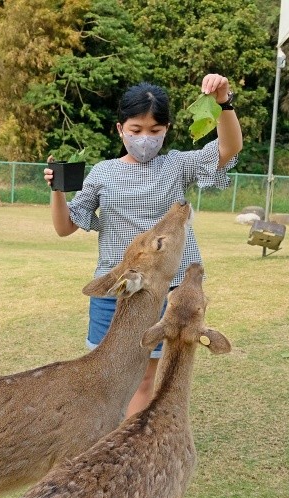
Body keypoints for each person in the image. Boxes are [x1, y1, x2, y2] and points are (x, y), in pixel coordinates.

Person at [46, 75, 242, 417]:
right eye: (136, 130)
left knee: (145, 375)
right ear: (120, 129)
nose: (145, 139)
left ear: (166, 129)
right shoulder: (103, 173)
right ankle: (103, 438)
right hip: (117, 288)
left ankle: (129, 446)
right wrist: (57, 191)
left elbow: (229, 149)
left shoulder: (177, 165)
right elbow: (65, 227)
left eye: (154, 131)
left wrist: (224, 103)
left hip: (168, 288)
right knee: (105, 373)